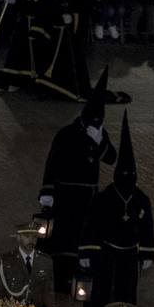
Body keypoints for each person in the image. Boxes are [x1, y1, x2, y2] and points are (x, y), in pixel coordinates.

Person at [38, 69, 116, 292]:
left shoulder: (99, 135)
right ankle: (58, 277)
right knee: (63, 237)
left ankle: (79, 276)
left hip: (88, 198)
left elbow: (111, 158)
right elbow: (52, 164)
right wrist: (48, 193)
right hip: (65, 195)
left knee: (83, 237)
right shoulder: (66, 134)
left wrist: (99, 141)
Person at [77, 113, 153, 307]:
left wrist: (147, 253)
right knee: (102, 288)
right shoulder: (104, 198)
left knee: (126, 290)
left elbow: (147, 227)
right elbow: (91, 226)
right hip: (106, 254)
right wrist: (87, 252)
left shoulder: (141, 199)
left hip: (129, 256)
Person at [0, 223, 55, 307]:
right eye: (27, 237)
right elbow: (0, 291)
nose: (31, 241)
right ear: (18, 238)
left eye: (34, 237)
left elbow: (48, 293)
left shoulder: (45, 261)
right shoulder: (6, 261)